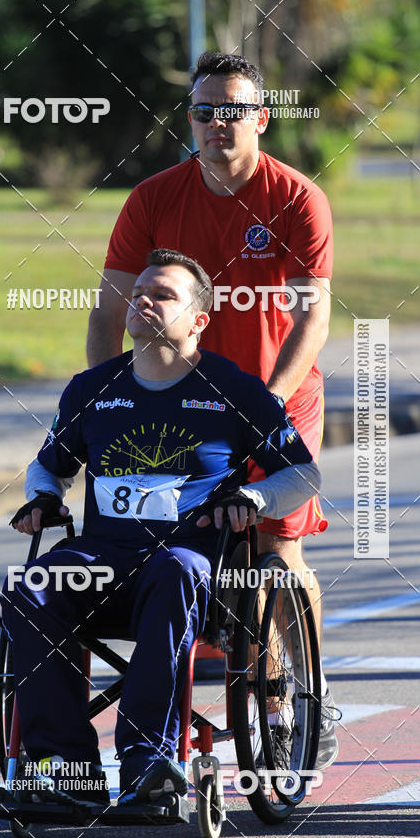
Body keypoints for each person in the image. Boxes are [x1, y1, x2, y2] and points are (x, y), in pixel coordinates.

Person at [86, 51, 339, 769]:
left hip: (277, 392)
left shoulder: (296, 199)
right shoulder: (153, 199)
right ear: (190, 118)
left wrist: (269, 409)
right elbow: (109, 309)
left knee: (274, 547)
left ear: (260, 118)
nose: (217, 123)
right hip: (179, 401)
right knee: (173, 535)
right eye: (204, 111)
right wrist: (106, 401)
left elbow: (310, 321)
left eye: (232, 110)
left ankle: (302, 691)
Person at [2, 249, 321, 811]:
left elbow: (303, 473)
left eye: (164, 295)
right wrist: (44, 497)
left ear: (199, 320)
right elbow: (49, 463)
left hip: (193, 569)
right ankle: (63, 771)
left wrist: (254, 496)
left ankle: (148, 762)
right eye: (140, 291)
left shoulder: (236, 391)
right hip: (100, 567)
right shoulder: (91, 388)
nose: (144, 300)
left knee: (176, 570)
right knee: (30, 586)